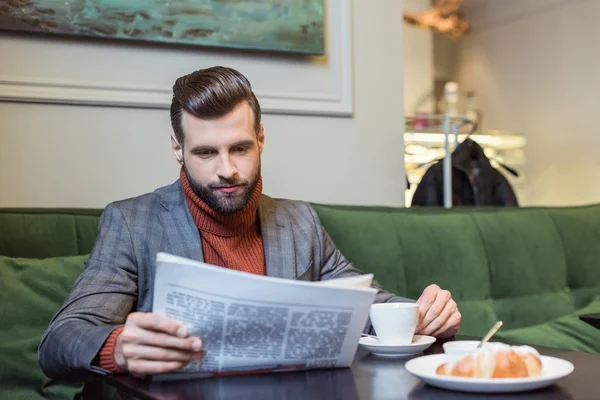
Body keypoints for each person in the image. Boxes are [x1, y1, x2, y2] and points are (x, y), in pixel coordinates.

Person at [38, 66, 461, 380]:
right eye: (205, 153)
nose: (226, 170)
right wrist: (119, 348)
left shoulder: (300, 221)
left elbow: (363, 304)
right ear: (177, 149)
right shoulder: (131, 222)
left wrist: (420, 314)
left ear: (261, 139)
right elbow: (61, 340)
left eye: (240, 148)